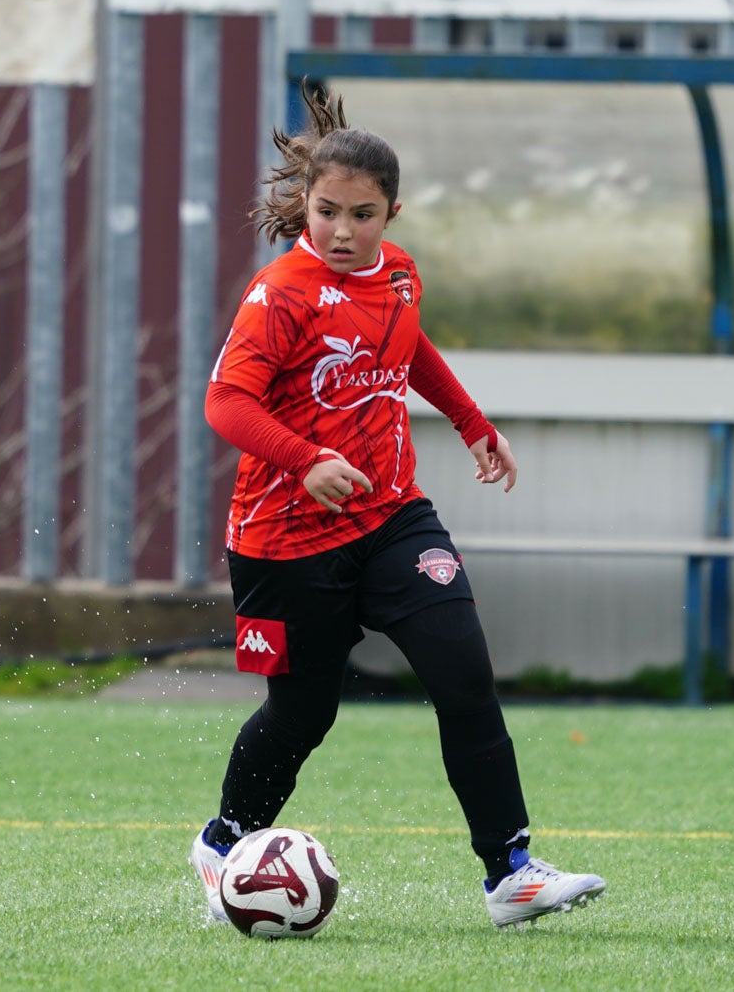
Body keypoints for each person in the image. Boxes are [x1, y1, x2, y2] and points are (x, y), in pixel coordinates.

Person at [188, 82, 605, 930]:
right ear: (306, 203)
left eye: (363, 215)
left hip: (390, 516)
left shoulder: (401, 273)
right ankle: (227, 837)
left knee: (463, 670)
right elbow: (225, 405)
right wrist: (304, 462)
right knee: (304, 712)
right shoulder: (281, 294)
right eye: (328, 211)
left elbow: (405, 349)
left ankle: (510, 872)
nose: (343, 231)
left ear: (392, 212)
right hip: (283, 537)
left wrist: (472, 422)